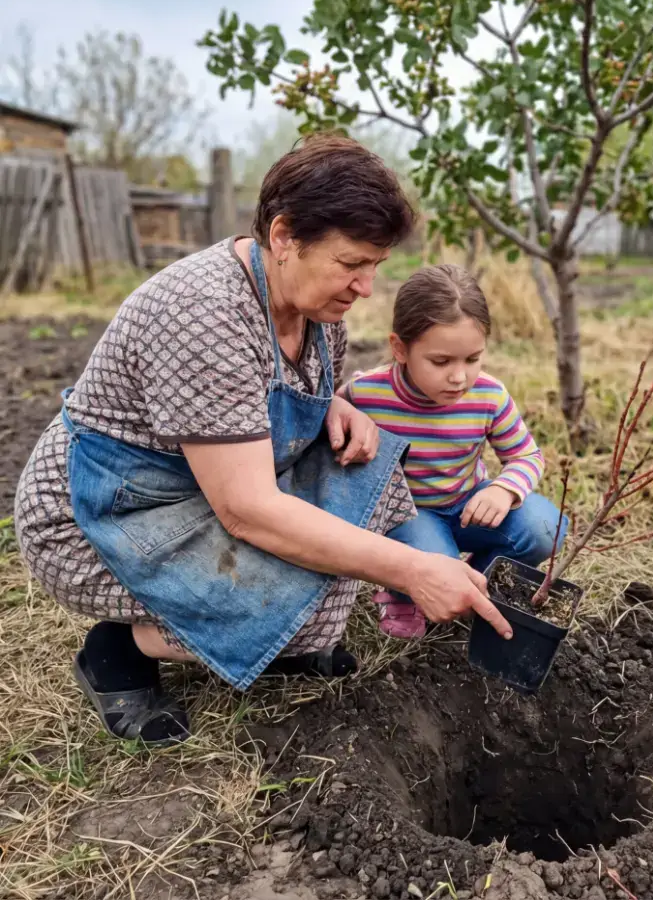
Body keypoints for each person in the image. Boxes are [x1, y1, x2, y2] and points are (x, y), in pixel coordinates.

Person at [14, 137, 511, 747]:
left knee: (366, 475)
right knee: (309, 609)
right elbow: (247, 509)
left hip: (200, 486)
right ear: (283, 237)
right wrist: (413, 569)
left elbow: (261, 394)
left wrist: (334, 404)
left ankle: (271, 631)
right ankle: (117, 649)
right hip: (106, 511)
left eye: (375, 266)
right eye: (351, 263)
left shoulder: (314, 309)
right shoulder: (203, 314)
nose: (365, 287)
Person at [340, 264, 567, 639]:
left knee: (545, 528)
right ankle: (403, 592)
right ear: (400, 348)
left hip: (467, 506)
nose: (459, 376)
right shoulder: (366, 394)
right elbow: (330, 423)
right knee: (434, 567)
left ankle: (482, 578)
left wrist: (503, 489)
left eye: (472, 359)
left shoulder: (488, 395)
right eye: (441, 362)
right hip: (408, 516)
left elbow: (526, 456)